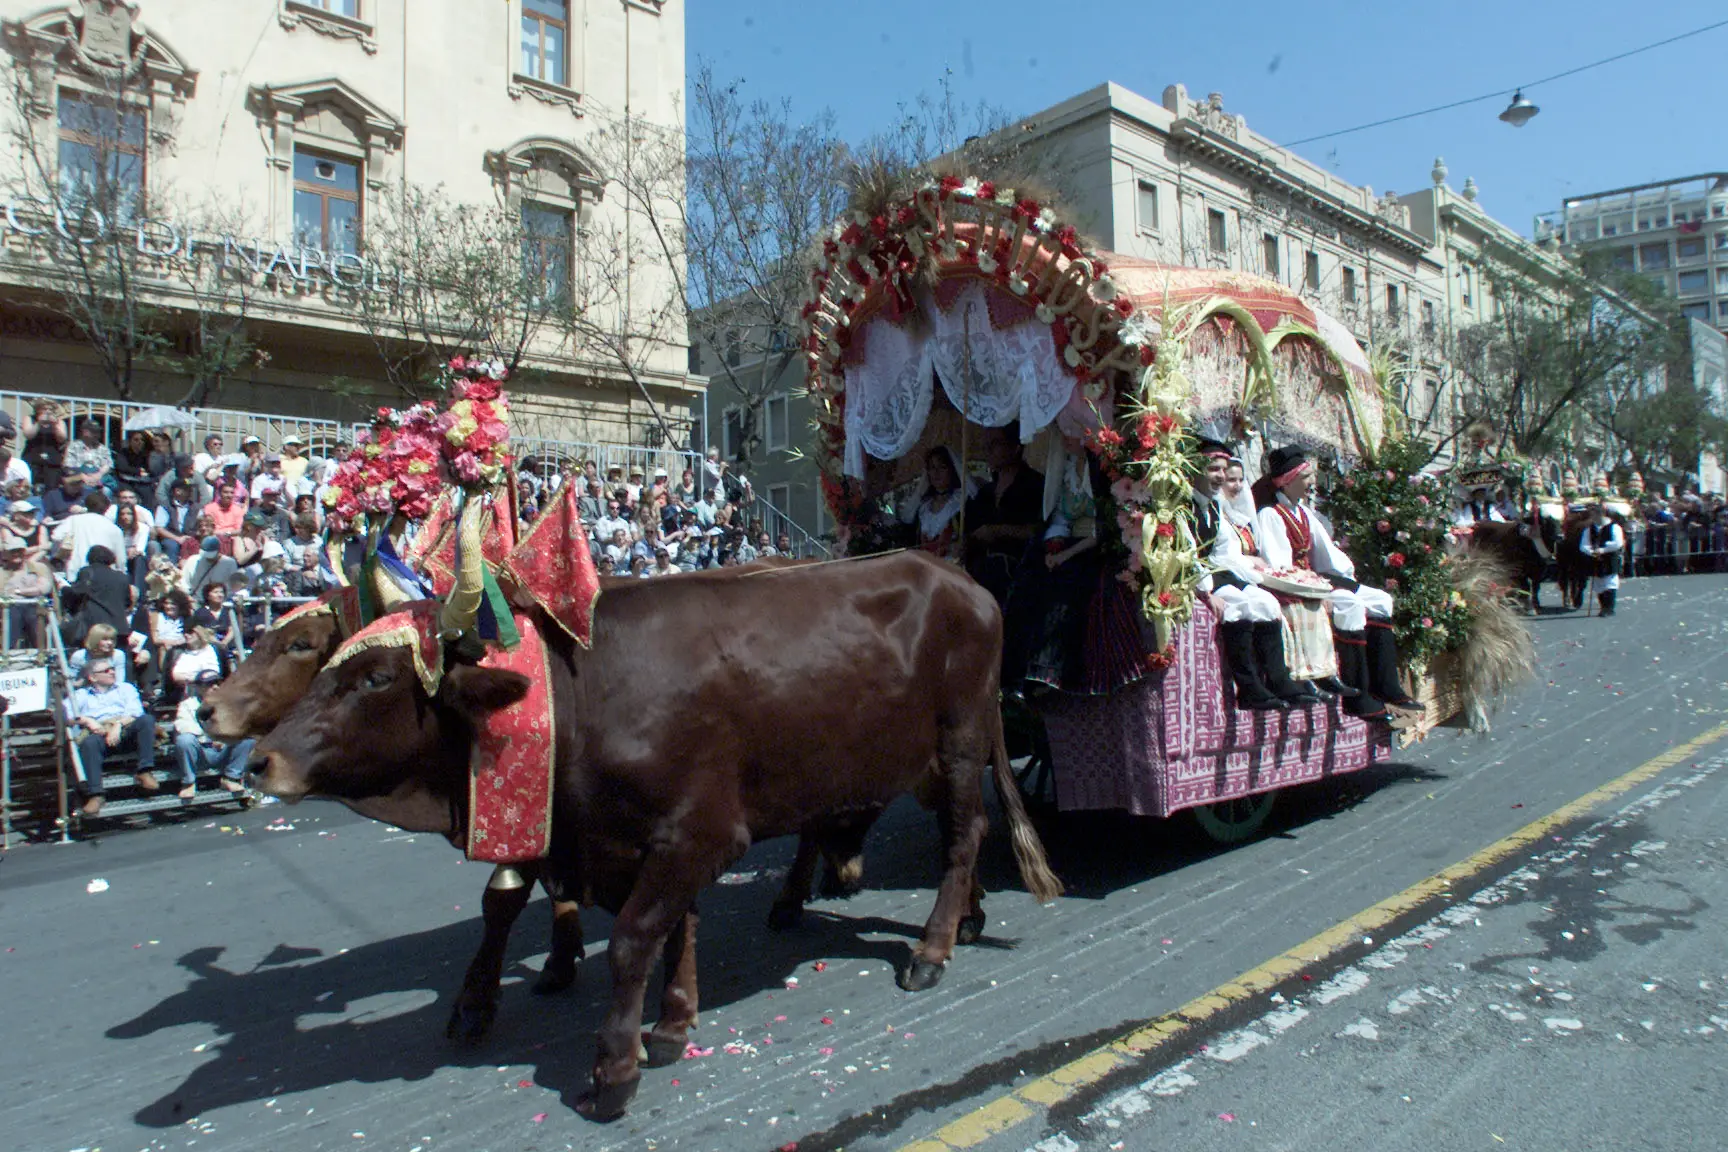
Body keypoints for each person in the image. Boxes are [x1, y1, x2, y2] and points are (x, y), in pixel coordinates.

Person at [1254, 446, 1419, 717]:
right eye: (1306, 477)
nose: (1311, 483)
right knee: (1350, 604)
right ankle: (1359, 695)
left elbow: (1328, 554)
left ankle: (1387, 686)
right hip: (1296, 588)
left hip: (1316, 581)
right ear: (1289, 480)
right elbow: (1278, 568)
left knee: (1381, 599)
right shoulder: (1271, 515)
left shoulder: (1303, 513)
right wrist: (1318, 587)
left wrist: (1342, 575)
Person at [1190, 438, 1308, 710]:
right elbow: (1187, 552)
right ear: (1195, 470)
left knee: (1266, 602)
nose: (1220, 476)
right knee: (1239, 605)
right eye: (1213, 470)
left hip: (1220, 570)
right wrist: (1206, 591)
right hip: (1201, 575)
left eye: (1222, 470)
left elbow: (1224, 551)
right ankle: (1249, 687)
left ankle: (1278, 679)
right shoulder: (1185, 506)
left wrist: (1252, 577)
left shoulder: (1216, 507)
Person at [66, 656, 156, 815]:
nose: (112, 672)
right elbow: (64, 714)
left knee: (146, 720)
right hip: (99, 734)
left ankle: (144, 771)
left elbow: (135, 712)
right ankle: (96, 794)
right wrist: (87, 720)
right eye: (106, 670)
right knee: (90, 743)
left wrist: (118, 725)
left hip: (126, 731)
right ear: (92, 677)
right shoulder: (81, 695)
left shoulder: (125, 688)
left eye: (112, 668)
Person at [174, 672, 253, 798]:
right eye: (210, 684)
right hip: (201, 752)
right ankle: (189, 783)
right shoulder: (187, 705)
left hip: (224, 750)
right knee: (184, 740)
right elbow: (184, 727)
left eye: (218, 683)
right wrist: (214, 736)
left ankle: (231, 778)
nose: (215, 687)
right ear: (198, 687)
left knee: (247, 738)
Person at [897, 445, 975, 563]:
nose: (936, 473)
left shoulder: (963, 502)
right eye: (932, 468)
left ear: (952, 470)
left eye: (942, 467)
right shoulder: (923, 508)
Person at [53, 490, 126, 580]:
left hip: (76, 570)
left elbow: (56, 536)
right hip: (104, 575)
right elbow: (121, 559)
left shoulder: (74, 520)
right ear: (107, 508)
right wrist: (122, 573)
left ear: (86, 505)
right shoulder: (114, 528)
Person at [0, 538, 52, 646]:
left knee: (33, 615)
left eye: (19, 550)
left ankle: (41, 652)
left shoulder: (38, 568)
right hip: (9, 608)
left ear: (24, 552)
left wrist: (19, 591)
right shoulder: (2, 572)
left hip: (34, 606)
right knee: (13, 615)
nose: (16, 554)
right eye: (12, 551)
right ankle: (7, 652)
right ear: (6, 554)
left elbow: (44, 588)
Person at [1580, 503, 1624, 617]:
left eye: (1593, 514)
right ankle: (1603, 606)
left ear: (1601, 514)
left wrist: (1603, 550)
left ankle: (1609, 607)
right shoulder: (1589, 529)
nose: (1592, 517)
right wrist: (1590, 551)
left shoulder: (1614, 527)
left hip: (1609, 558)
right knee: (1598, 583)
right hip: (1595, 559)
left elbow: (1617, 543)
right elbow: (1583, 545)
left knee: (1610, 582)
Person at [21, 399, 68, 491]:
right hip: (32, 458)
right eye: (45, 409)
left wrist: (55, 426)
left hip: (52, 460)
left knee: (52, 488)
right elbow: (28, 435)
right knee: (30, 486)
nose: (48, 411)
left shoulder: (59, 422)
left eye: (50, 409)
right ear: (38, 409)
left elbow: (62, 438)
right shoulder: (30, 419)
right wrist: (39, 423)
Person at [181, 536, 240, 600]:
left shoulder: (230, 563)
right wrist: (188, 595)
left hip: (219, 601)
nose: (208, 558)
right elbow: (184, 582)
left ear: (218, 551)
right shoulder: (192, 560)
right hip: (196, 599)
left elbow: (232, 587)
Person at [63, 419, 114, 490]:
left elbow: (108, 466)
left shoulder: (103, 448)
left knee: (106, 490)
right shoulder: (73, 446)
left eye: (98, 432)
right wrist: (83, 477)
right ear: (85, 432)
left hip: (99, 478)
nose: (97, 434)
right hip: (79, 478)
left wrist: (98, 475)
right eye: (94, 432)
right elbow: (68, 468)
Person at [115, 430, 156, 503]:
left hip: (142, 482)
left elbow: (150, 470)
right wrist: (139, 471)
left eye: (142, 440)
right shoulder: (123, 453)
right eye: (136, 440)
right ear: (130, 441)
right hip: (126, 481)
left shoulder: (145, 455)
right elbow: (122, 468)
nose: (140, 442)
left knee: (149, 494)